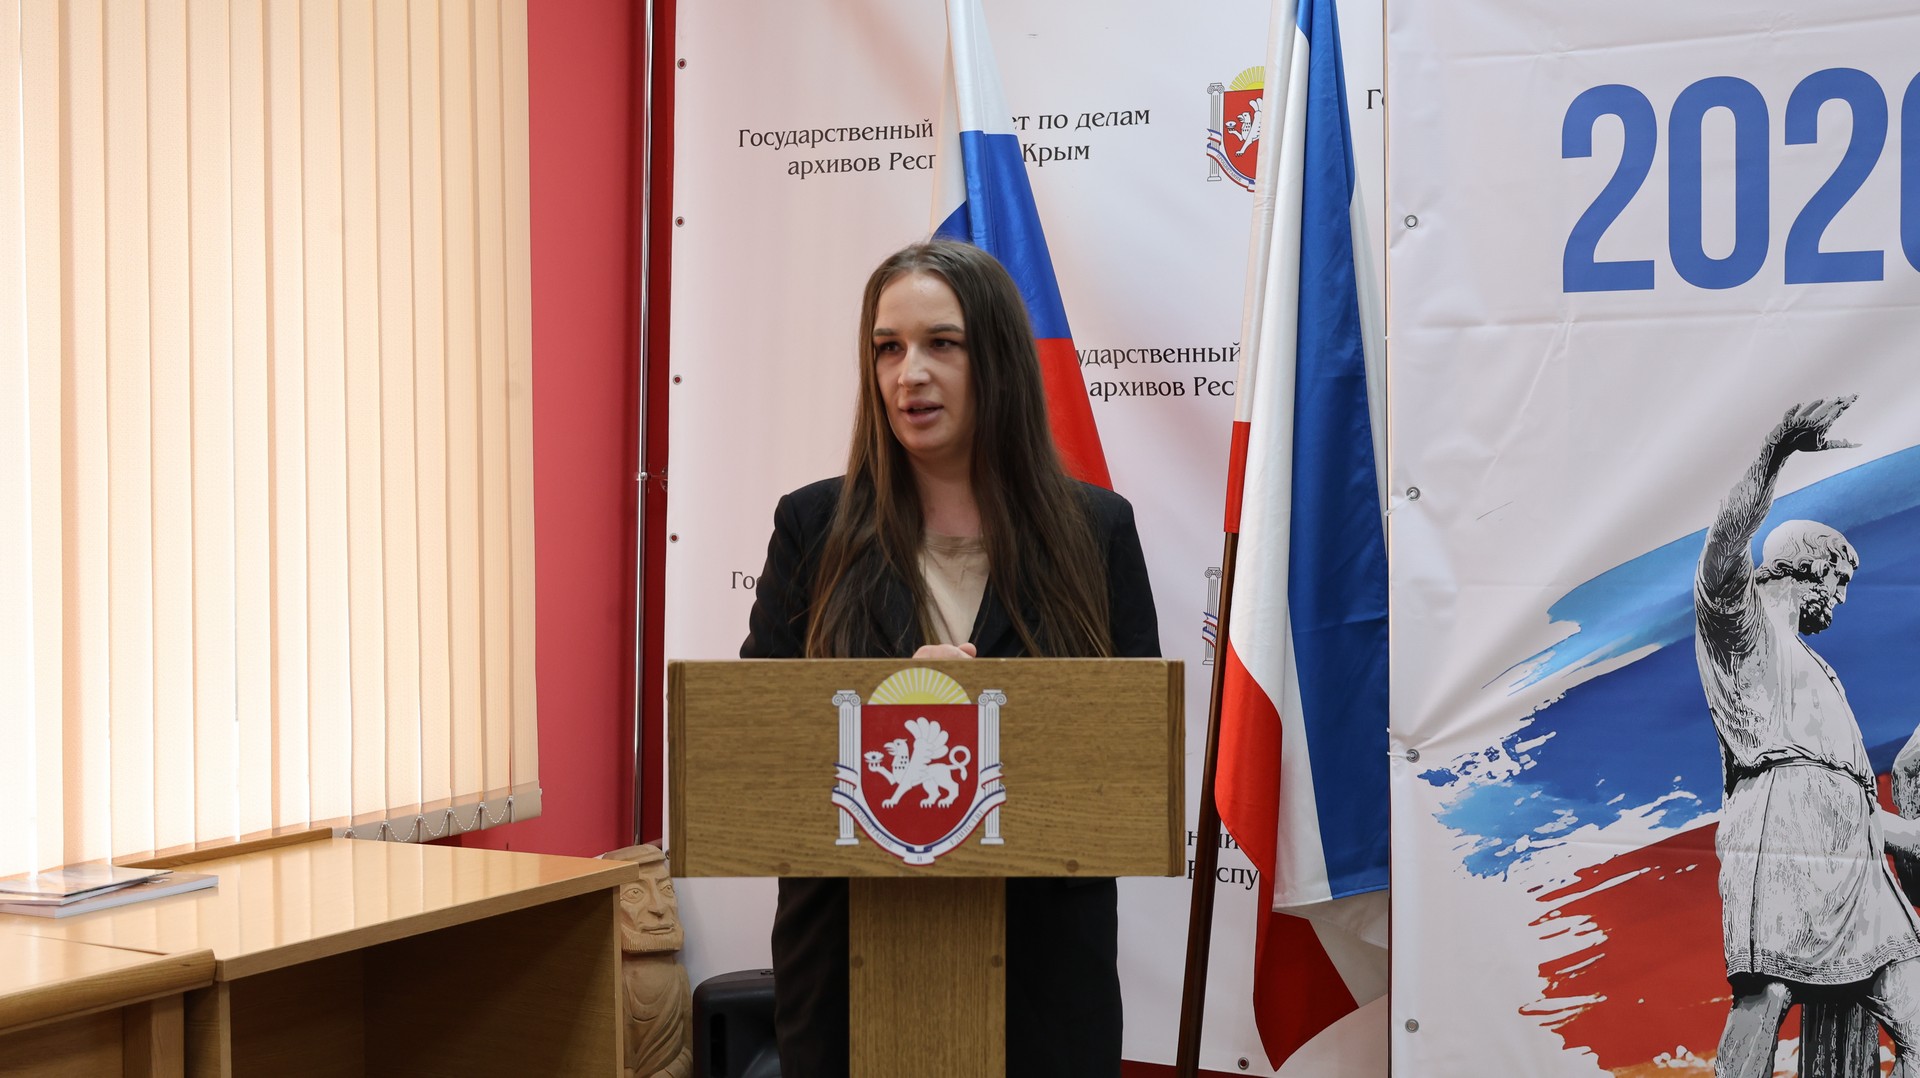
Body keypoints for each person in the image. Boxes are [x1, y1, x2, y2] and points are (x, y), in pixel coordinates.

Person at [740, 239, 1159, 1077]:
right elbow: (757, 751)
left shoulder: (1095, 530)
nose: (910, 374)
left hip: (1042, 976)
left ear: (997, 358)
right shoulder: (812, 528)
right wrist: (894, 700)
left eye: (942, 343)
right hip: (849, 964)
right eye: (887, 348)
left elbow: (1134, 764)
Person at [1694, 397, 1920, 1077]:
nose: (1841, 598)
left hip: (1854, 868)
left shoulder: (1821, 671)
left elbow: (1851, 802)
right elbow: (1723, 546)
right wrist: (1775, 452)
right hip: (1778, 841)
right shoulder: (1741, 630)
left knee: (1914, 999)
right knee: (1765, 999)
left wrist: (1903, 833)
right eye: (1839, 580)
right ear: (1807, 567)